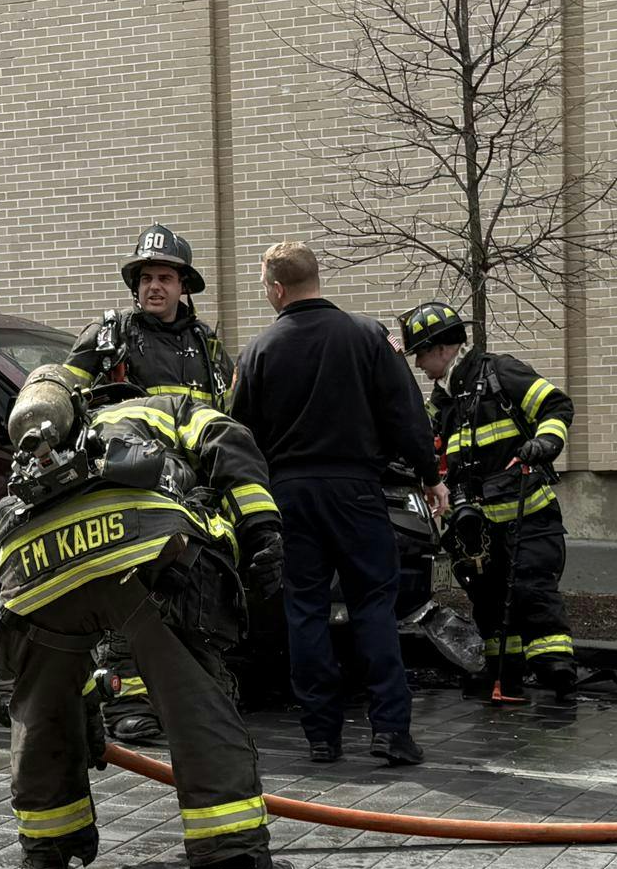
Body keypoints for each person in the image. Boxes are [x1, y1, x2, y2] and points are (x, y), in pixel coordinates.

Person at [0, 365, 295, 869]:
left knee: (44, 705)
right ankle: (243, 866)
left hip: (33, 570)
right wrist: (260, 527)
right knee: (194, 698)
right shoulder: (165, 408)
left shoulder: (46, 450)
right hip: (144, 551)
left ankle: (48, 850)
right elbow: (227, 440)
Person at [230, 241, 446, 766]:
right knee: (374, 606)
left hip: (289, 495)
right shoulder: (368, 336)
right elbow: (405, 412)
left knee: (305, 610)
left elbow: (239, 435)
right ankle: (390, 731)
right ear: (316, 279)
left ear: (277, 289)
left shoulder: (258, 351)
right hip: (357, 491)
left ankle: (321, 737)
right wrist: (430, 476)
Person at [63, 223, 237, 743]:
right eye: (145, 278)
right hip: (129, 484)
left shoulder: (207, 347)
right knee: (131, 588)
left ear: (183, 286)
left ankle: (195, 694)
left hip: (194, 489)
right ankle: (128, 700)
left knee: (196, 589)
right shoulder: (109, 336)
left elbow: (226, 419)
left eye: (164, 277)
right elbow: (62, 401)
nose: (154, 287)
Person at [402, 300, 577, 704]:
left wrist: (546, 442)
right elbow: (421, 442)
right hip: (477, 529)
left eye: (421, 354)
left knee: (533, 589)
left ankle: (557, 668)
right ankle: (503, 672)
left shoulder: (500, 372)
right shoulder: (443, 401)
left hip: (527, 514)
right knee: (489, 599)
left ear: (442, 348)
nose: (419, 364)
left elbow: (556, 405)